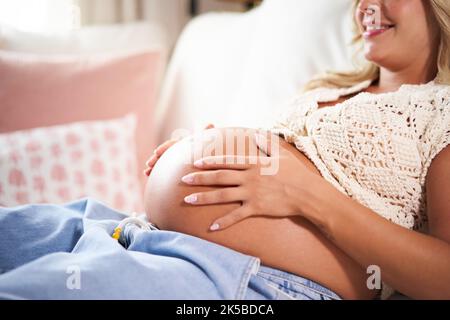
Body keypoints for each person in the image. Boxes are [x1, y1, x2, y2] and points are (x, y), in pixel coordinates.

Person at [1, 0, 449, 300]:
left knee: (36, 289)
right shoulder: (332, 89)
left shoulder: (441, 112)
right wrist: (218, 144)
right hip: (139, 232)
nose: (368, 5)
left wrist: (306, 194)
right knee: (14, 230)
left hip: (257, 283)